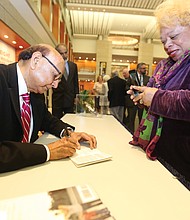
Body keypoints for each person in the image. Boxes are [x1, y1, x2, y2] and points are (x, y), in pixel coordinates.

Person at [0, 44, 96, 173]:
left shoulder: (35, 92)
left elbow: (47, 120)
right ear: (36, 60)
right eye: (55, 76)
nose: (55, 85)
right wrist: (47, 151)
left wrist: (69, 133)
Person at [128, 0, 190, 183]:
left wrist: (155, 98)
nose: (168, 45)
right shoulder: (165, 65)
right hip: (163, 153)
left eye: (174, 36)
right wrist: (143, 97)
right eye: (163, 41)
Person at [52, 43, 79, 119]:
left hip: (70, 99)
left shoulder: (73, 66)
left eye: (65, 52)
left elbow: (75, 82)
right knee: (57, 119)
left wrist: (77, 96)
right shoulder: (53, 65)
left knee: (70, 119)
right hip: (58, 99)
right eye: (61, 53)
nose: (64, 55)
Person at [122, 67, 136, 133]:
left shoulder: (132, 80)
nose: (124, 74)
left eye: (125, 73)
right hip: (124, 101)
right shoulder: (123, 80)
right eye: (123, 73)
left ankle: (130, 131)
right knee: (125, 117)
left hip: (131, 101)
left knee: (131, 117)